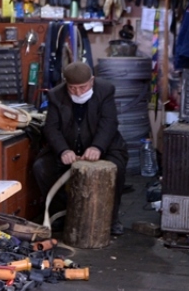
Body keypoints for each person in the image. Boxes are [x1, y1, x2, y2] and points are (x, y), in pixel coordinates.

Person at [33, 62, 129, 235]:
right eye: (73, 88)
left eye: (82, 87)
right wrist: (63, 150)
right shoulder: (56, 95)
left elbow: (109, 123)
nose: (78, 92)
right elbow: (51, 128)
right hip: (69, 146)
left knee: (117, 168)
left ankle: (111, 218)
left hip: (104, 146)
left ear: (92, 81)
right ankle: (61, 213)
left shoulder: (105, 90)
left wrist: (97, 147)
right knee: (41, 167)